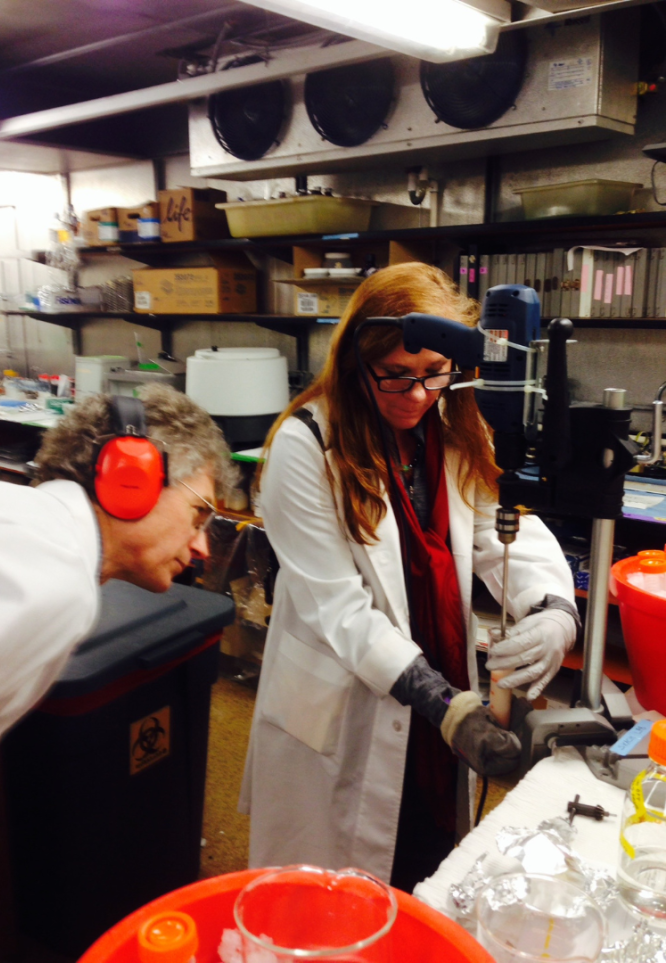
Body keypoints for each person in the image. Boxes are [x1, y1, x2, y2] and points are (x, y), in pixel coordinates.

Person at [240, 262, 579, 891]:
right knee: (325, 905)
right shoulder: (305, 444)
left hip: (437, 685)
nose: (419, 395)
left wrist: (554, 607)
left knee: (422, 869)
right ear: (356, 364)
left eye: (433, 374)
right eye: (396, 376)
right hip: (340, 704)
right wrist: (445, 706)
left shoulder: (450, 426)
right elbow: (340, 610)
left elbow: (497, 528)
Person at [0, 385, 236, 805]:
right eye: (199, 515)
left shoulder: (25, 525)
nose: (202, 548)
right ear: (131, 480)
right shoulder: (51, 578)